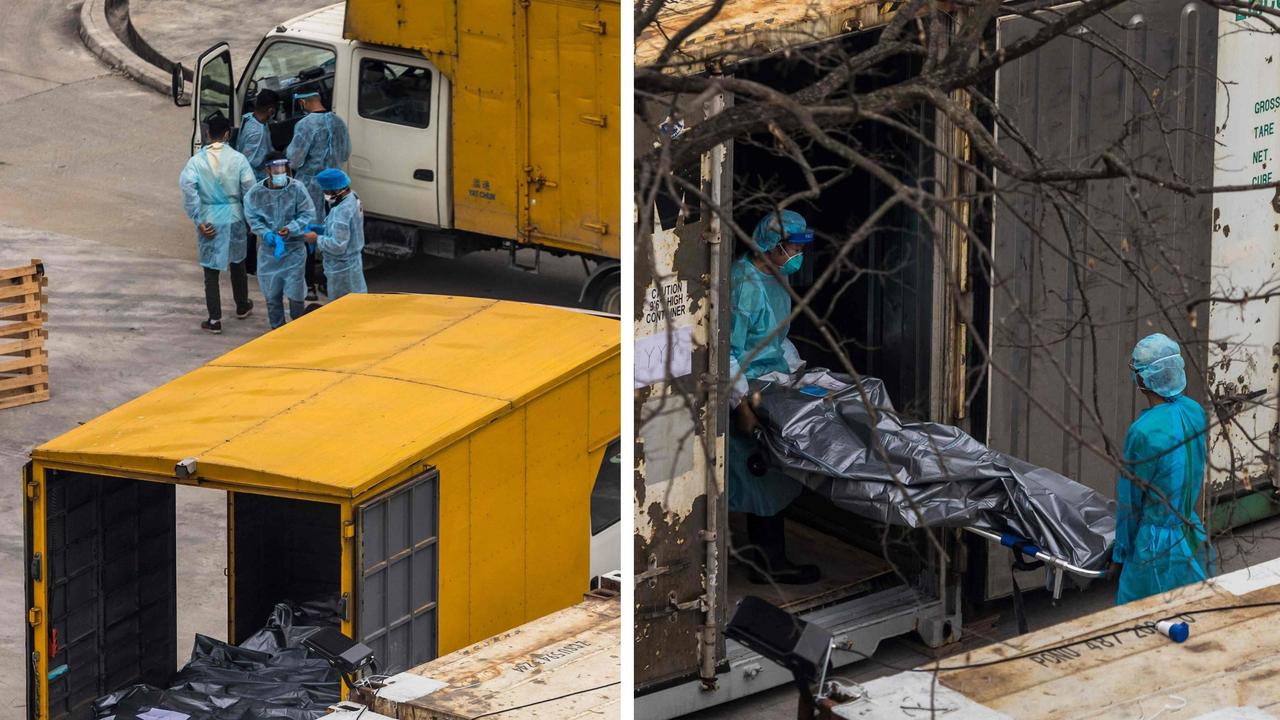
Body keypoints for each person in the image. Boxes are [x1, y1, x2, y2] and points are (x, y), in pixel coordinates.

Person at [728, 209, 819, 585]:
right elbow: (729, 351)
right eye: (794, 247)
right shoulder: (743, 286)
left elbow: (776, 339)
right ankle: (770, 563)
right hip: (750, 388)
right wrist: (741, 404)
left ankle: (766, 557)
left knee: (770, 476)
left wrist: (797, 371)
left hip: (772, 376)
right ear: (772, 246)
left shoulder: (774, 277)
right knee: (760, 474)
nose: (798, 254)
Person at [1113, 333, 1213, 605]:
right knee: (1192, 610)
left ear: (1144, 379)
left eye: (1135, 370)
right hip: (1189, 529)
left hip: (1154, 543)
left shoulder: (1143, 433)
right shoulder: (1194, 411)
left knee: (1142, 620)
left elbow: (1130, 501)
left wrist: (1120, 552)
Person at [180, 114, 256, 333]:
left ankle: (214, 319)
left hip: (210, 216)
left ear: (206, 134)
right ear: (227, 134)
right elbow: (250, 189)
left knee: (211, 270)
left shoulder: (197, 161)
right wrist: (250, 218)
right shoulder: (238, 159)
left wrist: (199, 218)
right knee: (237, 262)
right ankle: (242, 305)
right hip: (234, 215)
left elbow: (188, 189)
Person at [287, 90, 350, 299]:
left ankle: (309, 285)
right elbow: (346, 152)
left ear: (303, 102)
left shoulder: (305, 126)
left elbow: (295, 160)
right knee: (330, 232)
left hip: (309, 187)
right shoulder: (339, 122)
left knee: (307, 234)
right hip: (335, 185)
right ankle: (327, 281)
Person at [244, 151, 316, 329]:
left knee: (296, 294)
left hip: (294, 251)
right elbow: (252, 218)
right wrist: (266, 233)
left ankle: (297, 331)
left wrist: (291, 228)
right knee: (272, 295)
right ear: (267, 170)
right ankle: (277, 330)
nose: (280, 172)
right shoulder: (255, 194)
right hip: (270, 255)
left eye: (283, 167)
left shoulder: (297, 188)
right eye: (276, 168)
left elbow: (307, 213)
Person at [303, 168, 366, 300]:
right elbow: (346, 230)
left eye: (325, 191)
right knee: (358, 303)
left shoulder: (341, 211)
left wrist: (316, 239)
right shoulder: (352, 197)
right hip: (353, 263)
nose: (324, 194)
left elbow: (338, 245)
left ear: (337, 190)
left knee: (342, 308)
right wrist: (323, 229)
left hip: (342, 269)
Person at [236, 89, 279, 181]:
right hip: (256, 179)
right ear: (271, 111)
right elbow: (250, 161)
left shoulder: (250, 117)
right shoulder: (256, 133)